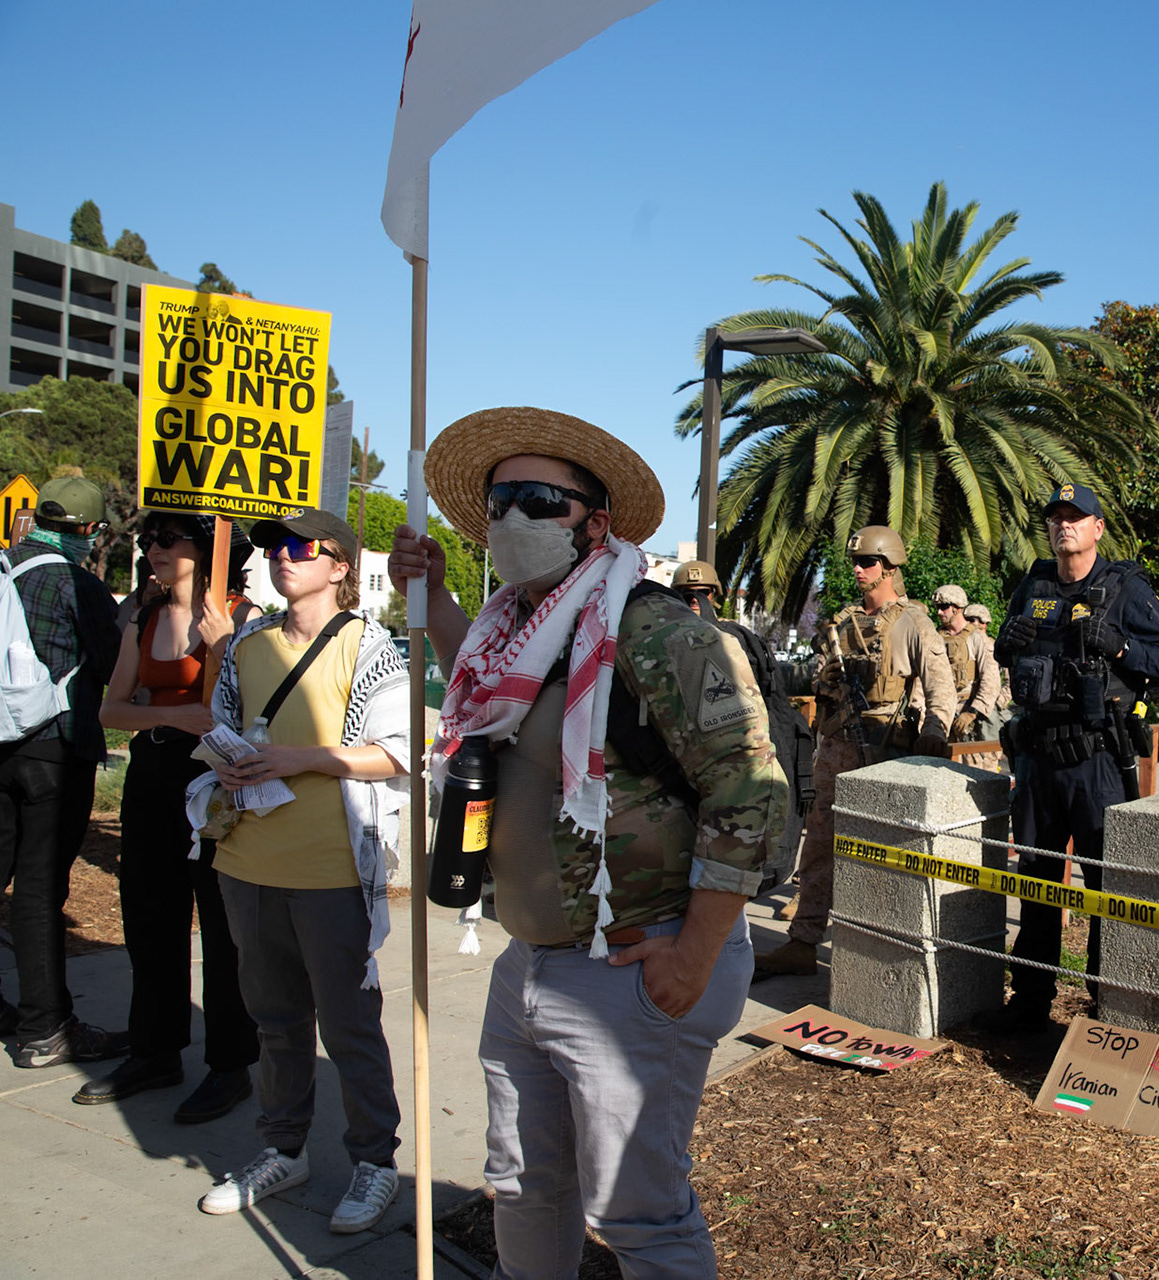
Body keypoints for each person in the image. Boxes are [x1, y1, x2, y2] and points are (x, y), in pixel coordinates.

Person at [389, 406, 788, 1278]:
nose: (511, 520)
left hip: (632, 970)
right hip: (529, 961)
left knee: (639, 1216)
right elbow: (495, 690)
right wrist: (435, 597)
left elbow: (751, 796)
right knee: (526, 1186)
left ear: (596, 524)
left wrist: (694, 955)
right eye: (500, 501)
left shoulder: (657, 632)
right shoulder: (512, 633)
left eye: (541, 500)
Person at [189, 509, 410, 1234]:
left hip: (332, 871)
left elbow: (399, 752)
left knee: (349, 1028)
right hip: (246, 861)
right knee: (274, 1022)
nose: (282, 558)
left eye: (299, 547)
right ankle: (283, 1149)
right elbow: (218, 725)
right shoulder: (248, 641)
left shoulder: (370, 645)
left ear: (341, 565)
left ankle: (374, 1161)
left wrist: (302, 758)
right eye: (273, 548)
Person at [988, 482, 1159, 1030]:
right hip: (1036, 759)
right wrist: (1005, 642)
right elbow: (1007, 656)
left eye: (1076, 518)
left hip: (1097, 762)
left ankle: (1107, 1012)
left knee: (1103, 887)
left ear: (1097, 528)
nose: (1064, 526)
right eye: (1056, 518)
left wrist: (1122, 648)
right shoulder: (1032, 582)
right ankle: (1030, 1002)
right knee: (1034, 881)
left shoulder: (1123, 588)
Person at [80, 514, 259, 1120]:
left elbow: (258, 707)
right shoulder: (145, 617)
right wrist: (169, 717)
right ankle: (155, 1050)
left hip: (214, 784)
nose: (154, 550)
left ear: (206, 549)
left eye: (168, 540)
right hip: (153, 779)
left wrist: (224, 646)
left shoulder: (241, 615)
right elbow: (110, 710)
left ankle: (231, 1065)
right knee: (149, 916)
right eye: (147, 541)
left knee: (221, 923)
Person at [754, 526, 956, 979]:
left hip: (885, 751)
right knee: (820, 846)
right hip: (836, 748)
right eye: (856, 563)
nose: (859, 570)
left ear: (889, 567)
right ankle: (803, 942)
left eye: (868, 562)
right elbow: (817, 680)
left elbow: (940, 683)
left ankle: (876, 952)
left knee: (882, 853)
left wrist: (936, 728)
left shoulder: (913, 622)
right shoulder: (841, 623)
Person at [0, 477, 126, 1068]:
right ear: (89, 531)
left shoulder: (3, 566)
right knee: (40, 888)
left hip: (1, 744)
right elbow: (109, 664)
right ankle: (45, 1027)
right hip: (56, 748)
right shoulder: (76, 582)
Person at [673, 557, 811, 899]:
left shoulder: (738, 640)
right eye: (688, 594)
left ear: (715, 596)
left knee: (722, 883)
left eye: (702, 593)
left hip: (730, 771)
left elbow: (771, 709)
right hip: (677, 770)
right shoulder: (663, 639)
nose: (695, 601)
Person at [933, 584, 1000, 742]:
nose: (939, 612)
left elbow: (991, 680)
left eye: (944, 607)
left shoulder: (977, 638)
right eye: (937, 607)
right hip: (941, 714)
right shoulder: (935, 638)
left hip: (971, 714)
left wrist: (972, 712)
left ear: (957, 607)